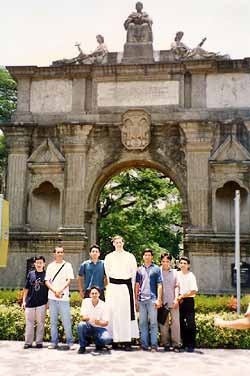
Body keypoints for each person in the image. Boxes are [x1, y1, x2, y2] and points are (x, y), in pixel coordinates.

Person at [104, 235, 139, 350]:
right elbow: (107, 273)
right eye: (116, 242)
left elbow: (133, 274)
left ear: (123, 243)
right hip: (113, 287)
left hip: (125, 287)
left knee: (125, 314)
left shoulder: (130, 256)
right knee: (114, 313)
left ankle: (127, 341)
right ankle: (115, 340)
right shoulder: (108, 257)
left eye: (120, 242)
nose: (118, 244)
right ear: (113, 244)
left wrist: (132, 290)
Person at [45, 246, 75, 350]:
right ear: (54, 253)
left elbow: (69, 280)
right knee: (53, 321)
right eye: (58, 252)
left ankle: (70, 342)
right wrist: (54, 291)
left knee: (66, 320)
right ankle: (54, 342)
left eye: (61, 252)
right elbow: (47, 281)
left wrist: (60, 290)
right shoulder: (50, 266)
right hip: (52, 297)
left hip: (64, 297)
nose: (60, 254)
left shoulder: (67, 265)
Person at [135, 249, 162, 352]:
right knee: (142, 323)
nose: (147, 257)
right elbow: (137, 285)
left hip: (152, 299)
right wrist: (136, 299)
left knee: (154, 323)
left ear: (152, 257)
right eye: (145, 255)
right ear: (143, 256)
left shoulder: (156, 269)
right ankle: (144, 345)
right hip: (141, 300)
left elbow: (160, 284)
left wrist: (159, 299)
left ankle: (154, 345)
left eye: (149, 255)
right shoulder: (139, 270)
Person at [22, 255, 48, 349]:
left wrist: (47, 302)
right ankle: (28, 342)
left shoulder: (47, 275)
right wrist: (24, 301)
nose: (39, 264)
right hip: (30, 302)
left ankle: (39, 342)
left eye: (41, 262)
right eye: (37, 262)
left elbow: (49, 290)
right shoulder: (30, 274)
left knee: (41, 323)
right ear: (35, 264)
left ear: (44, 264)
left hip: (42, 303)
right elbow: (26, 288)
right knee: (29, 323)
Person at [77, 286, 112, 354]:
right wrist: (90, 318)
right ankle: (82, 346)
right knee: (81, 325)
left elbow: (106, 323)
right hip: (89, 326)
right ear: (90, 295)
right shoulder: (85, 301)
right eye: (92, 293)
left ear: (99, 294)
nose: (94, 295)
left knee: (107, 339)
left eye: (96, 293)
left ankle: (98, 343)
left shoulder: (104, 305)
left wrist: (97, 322)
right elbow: (82, 317)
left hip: (100, 328)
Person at [159, 253, 181, 352]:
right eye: (163, 261)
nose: (165, 263)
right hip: (162, 302)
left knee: (175, 323)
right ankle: (166, 343)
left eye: (167, 261)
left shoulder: (175, 272)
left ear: (170, 262)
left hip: (173, 301)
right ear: (160, 262)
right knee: (163, 324)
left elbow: (177, 286)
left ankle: (176, 344)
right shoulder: (157, 271)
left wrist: (176, 299)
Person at [177, 256, 198, 352]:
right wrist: (178, 297)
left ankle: (191, 344)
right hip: (179, 301)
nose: (183, 265)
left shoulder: (191, 276)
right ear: (179, 264)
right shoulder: (177, 274)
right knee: (180, 323)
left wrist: (182, 296)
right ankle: (184, 343)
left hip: (189, 301)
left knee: (191, 324)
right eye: (181, 263)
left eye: (185, 263)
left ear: (188, 265)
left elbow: (193, 291)